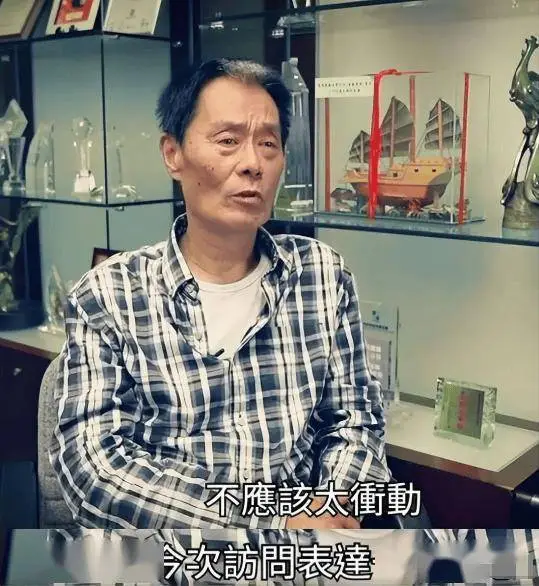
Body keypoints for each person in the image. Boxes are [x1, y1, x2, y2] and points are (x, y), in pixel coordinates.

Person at [49, 58, 391, 530]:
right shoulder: (110, 294)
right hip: (166, 557)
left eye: (268, 143)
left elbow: (356, 420)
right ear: (173, 154)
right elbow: (95, 471)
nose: (252, 164)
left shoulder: (321, 276)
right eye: (228, 141)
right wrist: (266, 523)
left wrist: (331, 509)